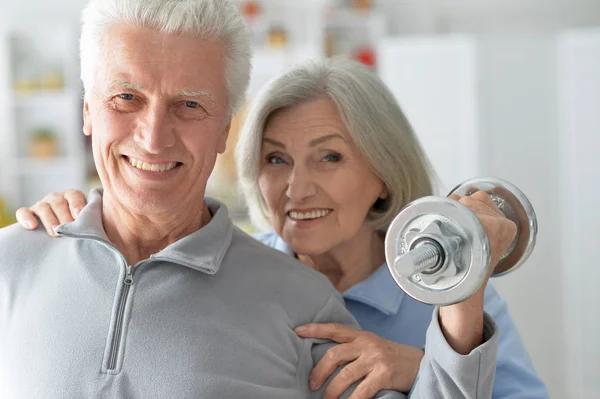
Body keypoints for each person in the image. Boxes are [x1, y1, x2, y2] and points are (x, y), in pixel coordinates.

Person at [15, 49, 548, 399]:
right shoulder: (239, 278)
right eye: (275, 159)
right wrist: (83, 224)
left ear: (383, 173)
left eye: (329, 158)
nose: (296, 189)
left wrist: (419, 367)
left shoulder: (450, 299)